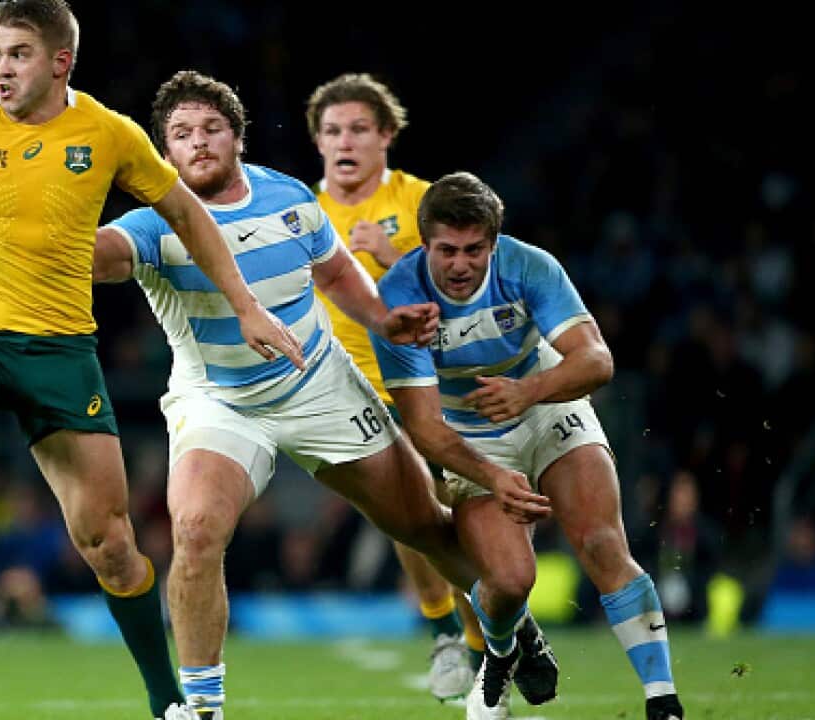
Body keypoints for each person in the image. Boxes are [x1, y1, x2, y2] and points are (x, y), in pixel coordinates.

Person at [0, 3, 303, 718]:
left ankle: (167, 702)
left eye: (17, 54)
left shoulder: (108, 133)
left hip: (61, 356)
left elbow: (188, 215)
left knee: (110, 547)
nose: (1, 69)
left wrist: (246, 304)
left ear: (59, 62)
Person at [93, 70, 555, 720]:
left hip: (321, 386)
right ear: (165, 151)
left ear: (236, 137)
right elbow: (95, 256)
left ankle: (517, 631)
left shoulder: (287, 197)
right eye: (181, 134)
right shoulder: (148, 225)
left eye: (210, 129)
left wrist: (380, 318)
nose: (197, 143)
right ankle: (203, 710)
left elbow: (336, 270)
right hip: (220, 403)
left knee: (423, 524)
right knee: (195, 532)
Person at [371, 170, 685, 720]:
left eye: (475, 250)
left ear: (494, 243)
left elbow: (596, 360)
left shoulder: (528, 265)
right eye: (447, 250)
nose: (462, 264)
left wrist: (530, 390)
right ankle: (501, 652)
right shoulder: (398, 296)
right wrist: (493, 478)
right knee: (511, 581)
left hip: (544, 402)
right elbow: (423, 426)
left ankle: (664, 701)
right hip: (466, 433)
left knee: (603, 544)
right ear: (425, 245)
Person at [307, 71, 501, 701]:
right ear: (318, 141)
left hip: (428, 382)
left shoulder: (426, 206)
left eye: (360, 128)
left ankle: (477, 638)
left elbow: (478, 298)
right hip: (345, 389)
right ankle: (450, 633)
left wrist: (396, 258)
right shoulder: (300, 213)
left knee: (450, 515)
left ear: (386, 135)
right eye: (333, 130)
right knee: (405, 519)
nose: (346, 141)